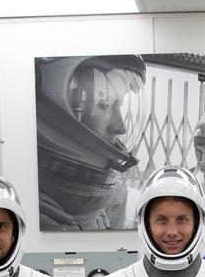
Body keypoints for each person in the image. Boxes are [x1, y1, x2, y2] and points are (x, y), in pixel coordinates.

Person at [35, 55, 146, 229]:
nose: (121, 126)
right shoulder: (41, 221)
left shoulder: (94, 206)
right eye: (104, 104)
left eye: (119, 105)